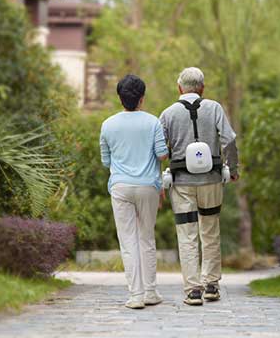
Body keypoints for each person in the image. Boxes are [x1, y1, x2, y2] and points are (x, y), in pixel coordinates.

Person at [159, 67, 239, 306]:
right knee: (210, 230)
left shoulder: (168, 113)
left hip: (181, 183)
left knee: (187, 234)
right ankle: (212, 285)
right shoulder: (214, 108)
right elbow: (230, 139)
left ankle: (193, 289)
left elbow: (161, 151)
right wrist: (233, 169)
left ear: (179, 88)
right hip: (211, 180)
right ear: (202, 88)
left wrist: (158, 179)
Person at [99, 74, 169, 309]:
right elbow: (162, 155)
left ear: (120, 98)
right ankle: (151, 292)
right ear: (142, 98)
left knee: (128, 241)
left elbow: (106, 161)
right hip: (148, 187)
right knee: (146, 237)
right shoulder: (153, 122)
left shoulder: (107, 124)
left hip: (120, 187)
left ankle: (135, 296)